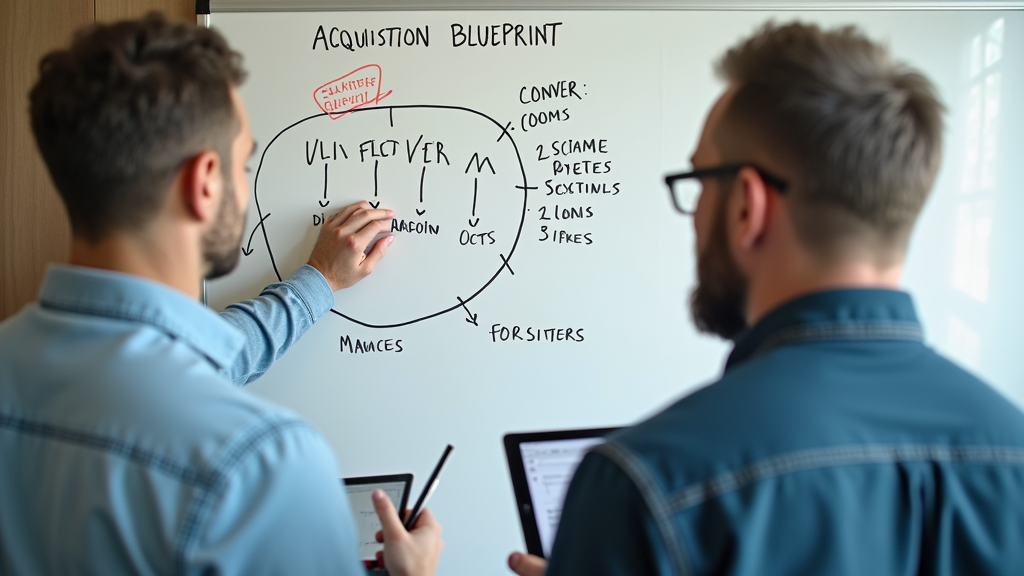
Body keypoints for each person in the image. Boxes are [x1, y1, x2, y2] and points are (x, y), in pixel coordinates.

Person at [508, 21, 1024, 576]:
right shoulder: (1012, 451)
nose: (695, 212)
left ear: (746, 206)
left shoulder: (650, 482)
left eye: (701, 182)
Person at [0, 13, 442, 576]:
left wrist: (321, 282)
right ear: (204, 181)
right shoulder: (258, 461)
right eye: (244, 163)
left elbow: (203, 358)